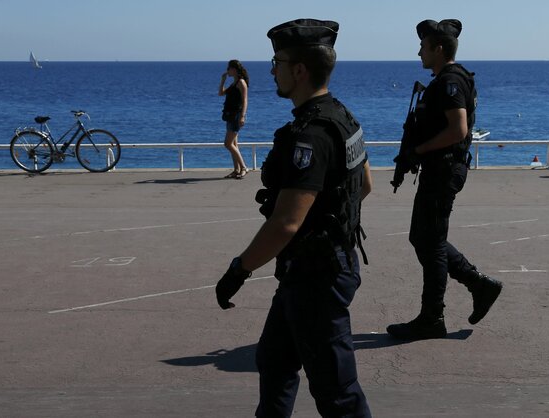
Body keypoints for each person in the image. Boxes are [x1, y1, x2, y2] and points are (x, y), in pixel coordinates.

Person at [215, 18, 373, 418]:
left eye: (277, 61)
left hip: (318, 279)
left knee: (339, 395)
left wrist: (239, 269)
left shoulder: (311, 135)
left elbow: (286, 223)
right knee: (275, 361)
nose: (272, 69)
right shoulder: (341, 115)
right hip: (313, 269)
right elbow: (365, 184)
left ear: (299, 70)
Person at [387, 19, 503, 341]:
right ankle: (478, 285)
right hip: (439, 169)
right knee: (422, 238)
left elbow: (458, 130)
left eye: (424, 46)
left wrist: (419, 149)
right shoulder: (446, 80)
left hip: (444, 170)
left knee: (431, 242)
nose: (419, 52)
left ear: (439, 49)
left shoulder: (451, 81)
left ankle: (432, 317)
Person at [219, 59, 250, 179]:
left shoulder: (241, 82)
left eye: (229, 68)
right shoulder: (233, 83)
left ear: (234, 69)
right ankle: (236, 170)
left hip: (236, 116)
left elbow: (245, 100)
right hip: (229, 115)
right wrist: (223, 80)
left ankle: (243, 167)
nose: (227, 71)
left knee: (227, 144)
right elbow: (221, 93)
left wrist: (242, 116)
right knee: (234, 144)